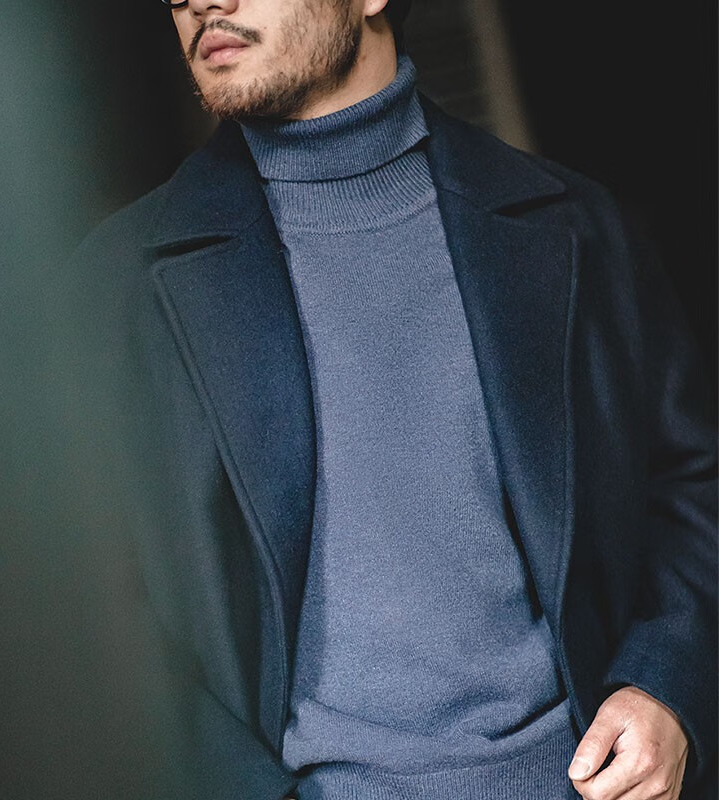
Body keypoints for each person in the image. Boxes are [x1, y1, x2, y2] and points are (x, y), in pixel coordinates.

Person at [74, 0, 717, 797]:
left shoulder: (578, 225)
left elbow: (690, 487)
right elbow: (85, 612)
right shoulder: (112, 288)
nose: (200, 1)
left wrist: (667, 688)